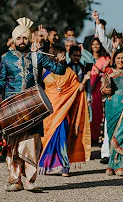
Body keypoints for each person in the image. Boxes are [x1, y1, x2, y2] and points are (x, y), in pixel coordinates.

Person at [0, 17, 66, 191]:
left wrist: (61, 59)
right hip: (12, 107)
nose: (22, 41)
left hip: (33, 107)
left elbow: (59, 70)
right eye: (19, 38)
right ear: (14, 40)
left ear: (30, 39)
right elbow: (3, 81)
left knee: (31, 144)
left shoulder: (37, 57)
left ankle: (30, 180)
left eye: (25, 38)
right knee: (13, 145)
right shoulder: (6, 58)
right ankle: (15, 180)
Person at [38, 46, 91, 177]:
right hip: (49, 109)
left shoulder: (69, 72)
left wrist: (84, 80)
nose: (63, 57)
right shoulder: (45, 69)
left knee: (62, 136)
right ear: (54, 55)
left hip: (64, 109)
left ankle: (63, 167)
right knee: (47, 137)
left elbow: (77, 89)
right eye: (61, 54)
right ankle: (46, 166)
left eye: (64, 55)